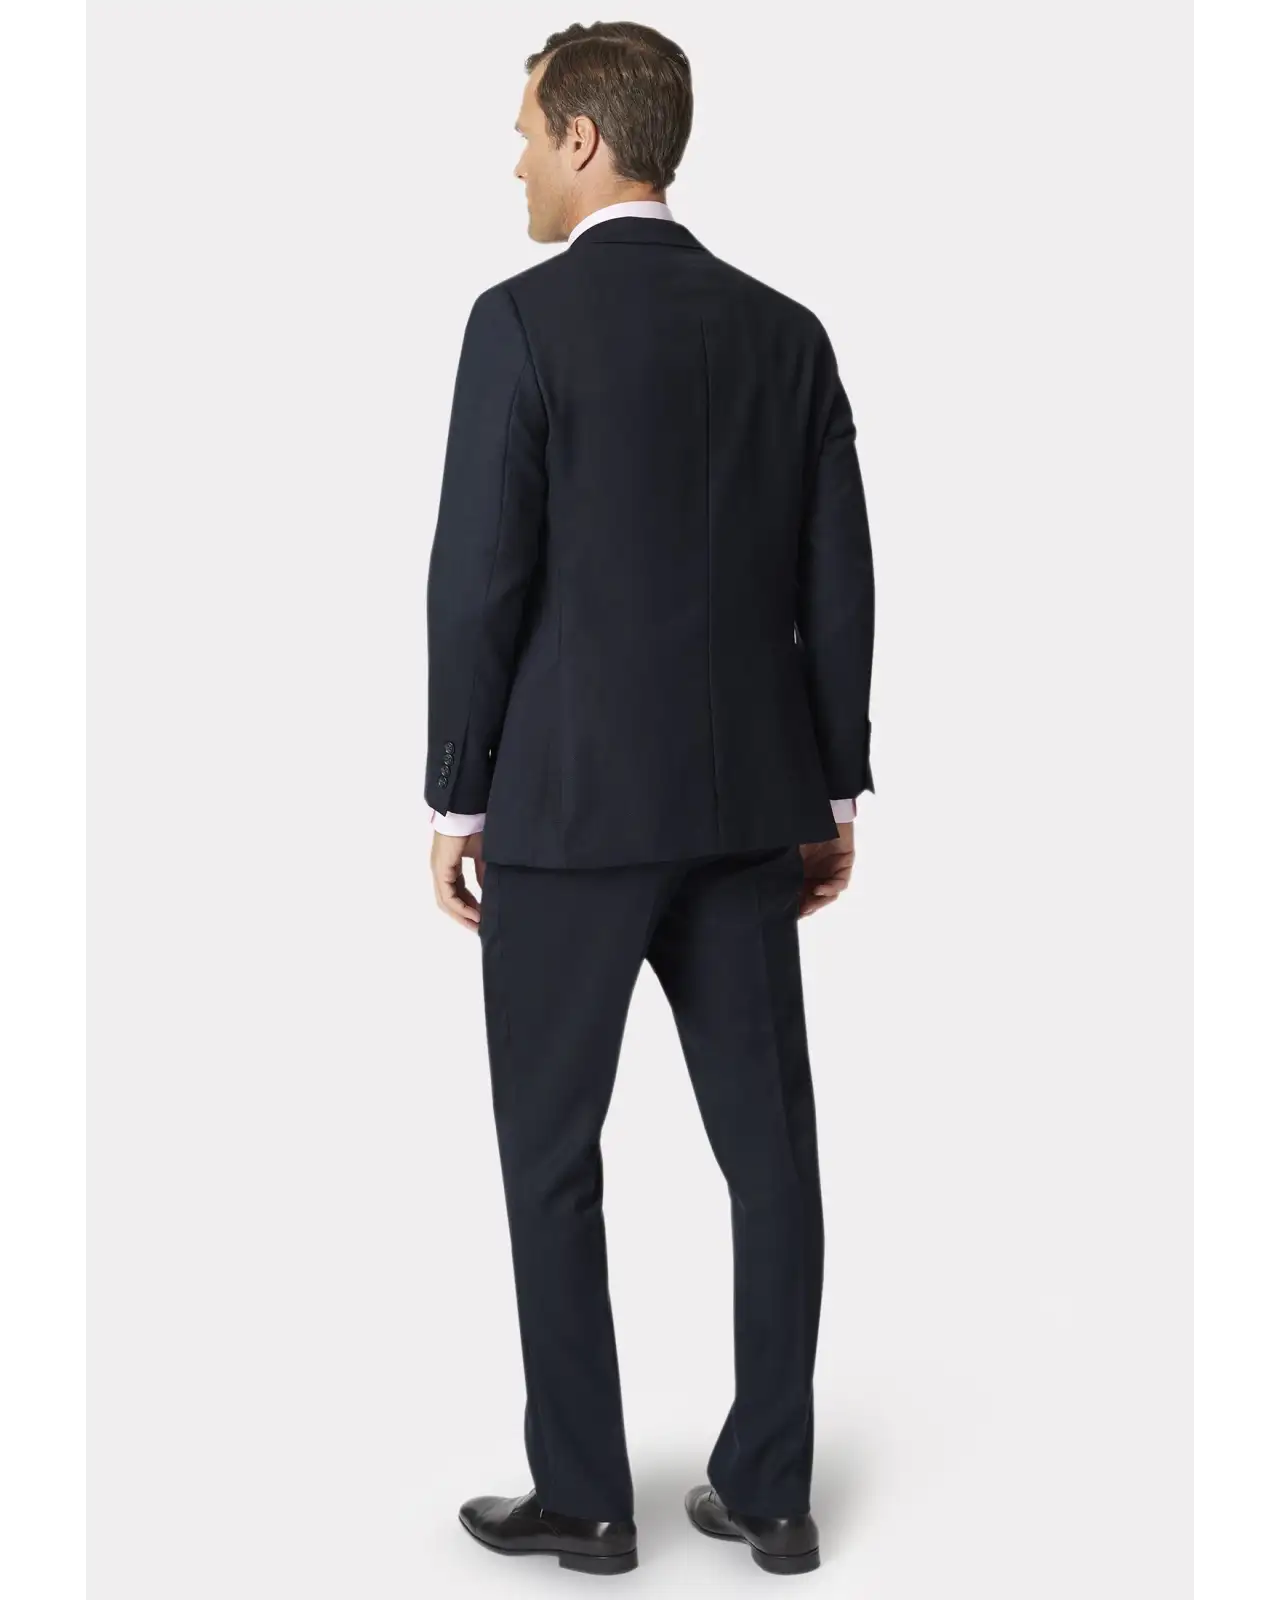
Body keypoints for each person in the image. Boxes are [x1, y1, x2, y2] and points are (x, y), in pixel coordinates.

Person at [425, 21, 874, 1579]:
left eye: (526, 133)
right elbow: (838, 580)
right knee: (772, 1152)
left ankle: (590, 1501)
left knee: (553, 1157)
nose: (516, 163)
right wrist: (831, 788)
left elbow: (481, 579)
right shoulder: (786, 334)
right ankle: (772, 1491)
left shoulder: (520, 324)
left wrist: (458, 800)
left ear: (586, 140)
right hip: (748, 808)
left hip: (566, 814)